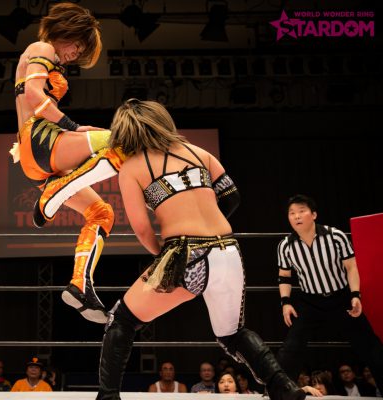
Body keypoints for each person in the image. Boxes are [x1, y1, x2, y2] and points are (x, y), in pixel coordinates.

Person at [95, 99, 306, 400]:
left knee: (122, 320)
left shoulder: (132, 168)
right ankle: (283, 386)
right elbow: (231, 197)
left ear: (124, 133)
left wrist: (163, 257)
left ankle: (107, 397)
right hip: (228, 251)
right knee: (233, 334)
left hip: (185, 252)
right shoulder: (200, 153)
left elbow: (142, 229)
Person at [12, 2, 125, 323]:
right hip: (40, 139)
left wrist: (72, 131)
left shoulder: (49, 56)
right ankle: (54, 192)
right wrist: (72, 127)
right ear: (67, 31)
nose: (76, 54)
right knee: (122, 142)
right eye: (78, 45)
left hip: (41, 155)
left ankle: (80, 285)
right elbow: (34, 94)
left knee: (102, 213)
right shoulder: (42, 47)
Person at [276, 194, 383, 393]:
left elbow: (351, 267)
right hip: (310, 302)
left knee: (369, 345)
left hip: (341, 298)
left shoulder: (335, 236)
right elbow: (284, 276)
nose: (296, 216)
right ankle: (281, 393)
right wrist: (285, 302)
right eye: (292, 213)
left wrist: (355, 295)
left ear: (313, 214)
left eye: (301, 211)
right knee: (291, 348)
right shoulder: (285, 246)